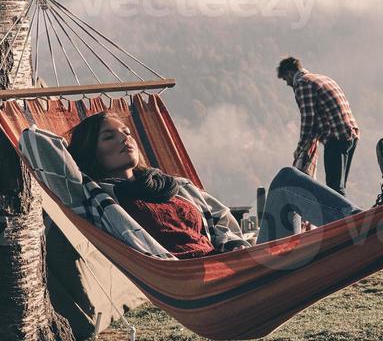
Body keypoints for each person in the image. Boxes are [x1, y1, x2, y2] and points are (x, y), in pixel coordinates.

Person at [64, 111, 250, 259]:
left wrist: (232, 246)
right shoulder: (96, 198)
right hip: (178, 276)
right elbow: (43, 148)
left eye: (127, 133)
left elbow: (221, 219)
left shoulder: (176, 186)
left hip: (220, 264)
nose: (124, 139)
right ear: (89, 152)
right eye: (108, 137)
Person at [277, 56, 359, 195]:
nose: (287, 84)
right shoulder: (323, 78)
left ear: (290, 73)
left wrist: (300, 149)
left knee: (334, 189)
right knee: (340, 186)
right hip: (351, 134)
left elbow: (308, 119)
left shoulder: (303, 83)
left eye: (285, 79)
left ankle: (343, 217)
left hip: (335, 137)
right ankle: (348, 214)